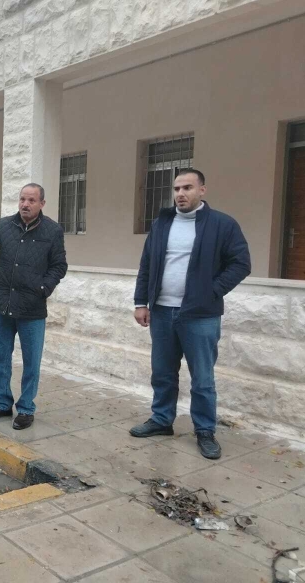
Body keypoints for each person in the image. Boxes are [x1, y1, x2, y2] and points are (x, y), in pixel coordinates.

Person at [130, 168, 251, 459]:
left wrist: (212, 291)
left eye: (187, 188)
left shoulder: (222, 224)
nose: (180, 194)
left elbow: (241, 263)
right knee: (162, 372)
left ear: (202, 190)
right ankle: (161, 420)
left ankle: (205, 430)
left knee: (203, 378)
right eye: (177, 189)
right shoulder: (162, 223)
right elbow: (147, 264)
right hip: (162, 311)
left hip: (200, 315)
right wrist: (141, 302)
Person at [0, 183, 67, 430]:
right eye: (22, 199)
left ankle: (26, 408)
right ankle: (2, 403)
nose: (25, 204)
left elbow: (59, 265)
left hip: (32, 308)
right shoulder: (5, 224)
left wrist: (43, 288)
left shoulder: (52, 230)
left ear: (42, 203)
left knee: (31, 361)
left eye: (31, 200)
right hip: (2, 304)